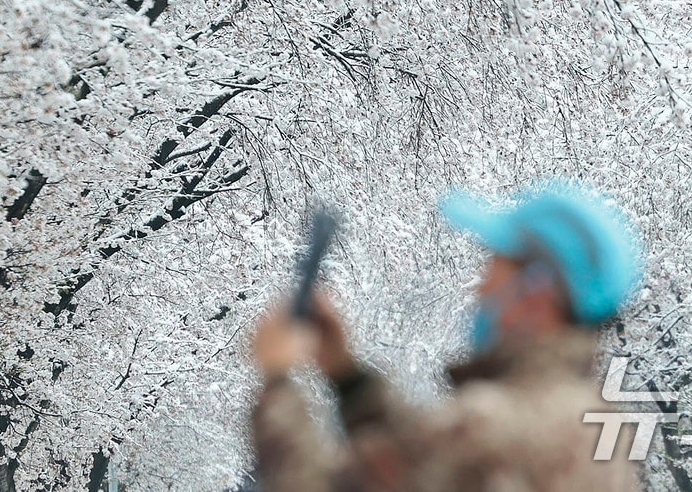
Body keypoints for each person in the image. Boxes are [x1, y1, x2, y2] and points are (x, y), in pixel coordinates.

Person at [249, 182, 643, 492]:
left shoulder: (495, 427)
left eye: (494, 267)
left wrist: (277, 379)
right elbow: (416, 469)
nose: (480, 289)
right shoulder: (595, 426)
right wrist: (346, 375)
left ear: (536, 291)